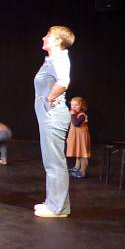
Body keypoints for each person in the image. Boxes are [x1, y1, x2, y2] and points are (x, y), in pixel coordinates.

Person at [33, 25, 74, 218]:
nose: (44, 37)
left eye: (48, 35)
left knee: (55, 163)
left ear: (58, 41)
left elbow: (64, 82)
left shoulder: (59, 59)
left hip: (52, 116)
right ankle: (53, 203)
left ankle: (58, 208)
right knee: (51, 162)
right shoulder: (52, 60)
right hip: (49, 116)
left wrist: (50, 97)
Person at [67, 96, 91, 179]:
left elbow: (76, 123)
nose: (73, 107)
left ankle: (82, 172)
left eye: (76, 105)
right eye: (72, 105)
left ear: (82, 106)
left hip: (82, 138)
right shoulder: (74, 115)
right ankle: (76, 168)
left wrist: (72, 114)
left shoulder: (82, 115)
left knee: (83, 154)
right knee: (78, 153)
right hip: (76, 137)